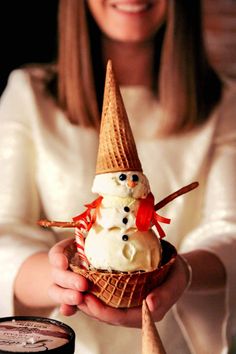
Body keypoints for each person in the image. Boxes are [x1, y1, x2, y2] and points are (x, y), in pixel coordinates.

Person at [0, 1, 235, 353]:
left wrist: (182, 272)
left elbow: (229, 229)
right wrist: (62, 279)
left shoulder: (225, 103)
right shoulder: (28, 93)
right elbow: (6, 231)